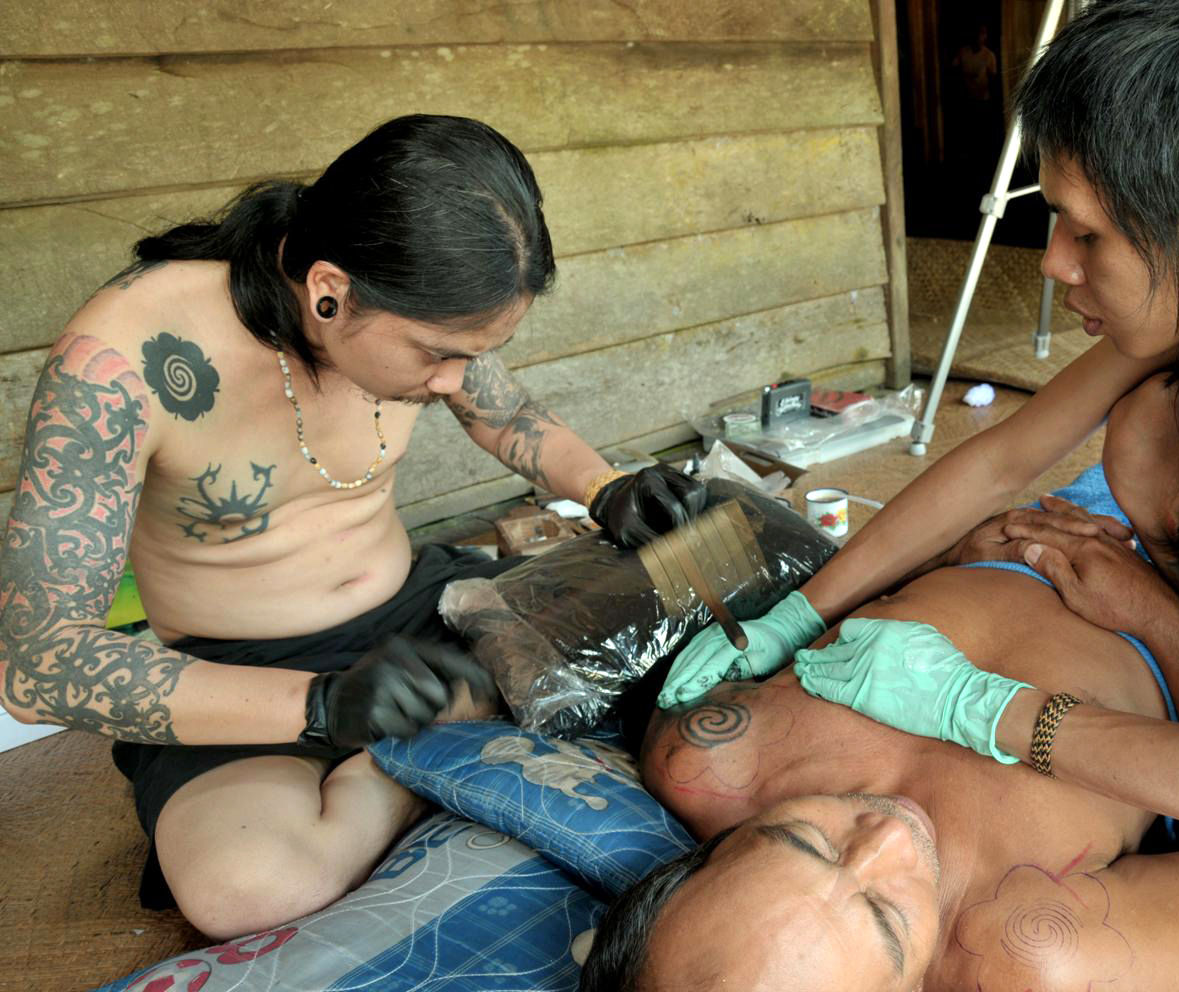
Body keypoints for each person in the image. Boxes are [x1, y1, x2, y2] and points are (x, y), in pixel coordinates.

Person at [660, 3, 1179, 991]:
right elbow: (1001, 461)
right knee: (1154, 434)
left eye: (1088, 233)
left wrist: (977, 705)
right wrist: (799, 613)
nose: (1056, 262)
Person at [0, 113, 706, 939]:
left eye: (472, 354)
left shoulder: (420, 308)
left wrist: (607, 487)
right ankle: (443, 739)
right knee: (247, 887)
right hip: (242, 673)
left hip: (422, 617)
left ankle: (430, 732)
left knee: (696, 602)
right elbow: (38, 664)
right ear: (329, 290)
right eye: (436, 354)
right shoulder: (121, 358)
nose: (455, 382)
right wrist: (324, 705)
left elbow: (506, 415)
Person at [583, 510, 1179, 992]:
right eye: (887, 917)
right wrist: (1165, 623)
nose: (887, 834)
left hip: (1029, 524)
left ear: (707, 857)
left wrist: (947, 555)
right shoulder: (1026, 953)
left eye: (803, 839)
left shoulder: (708, 759)